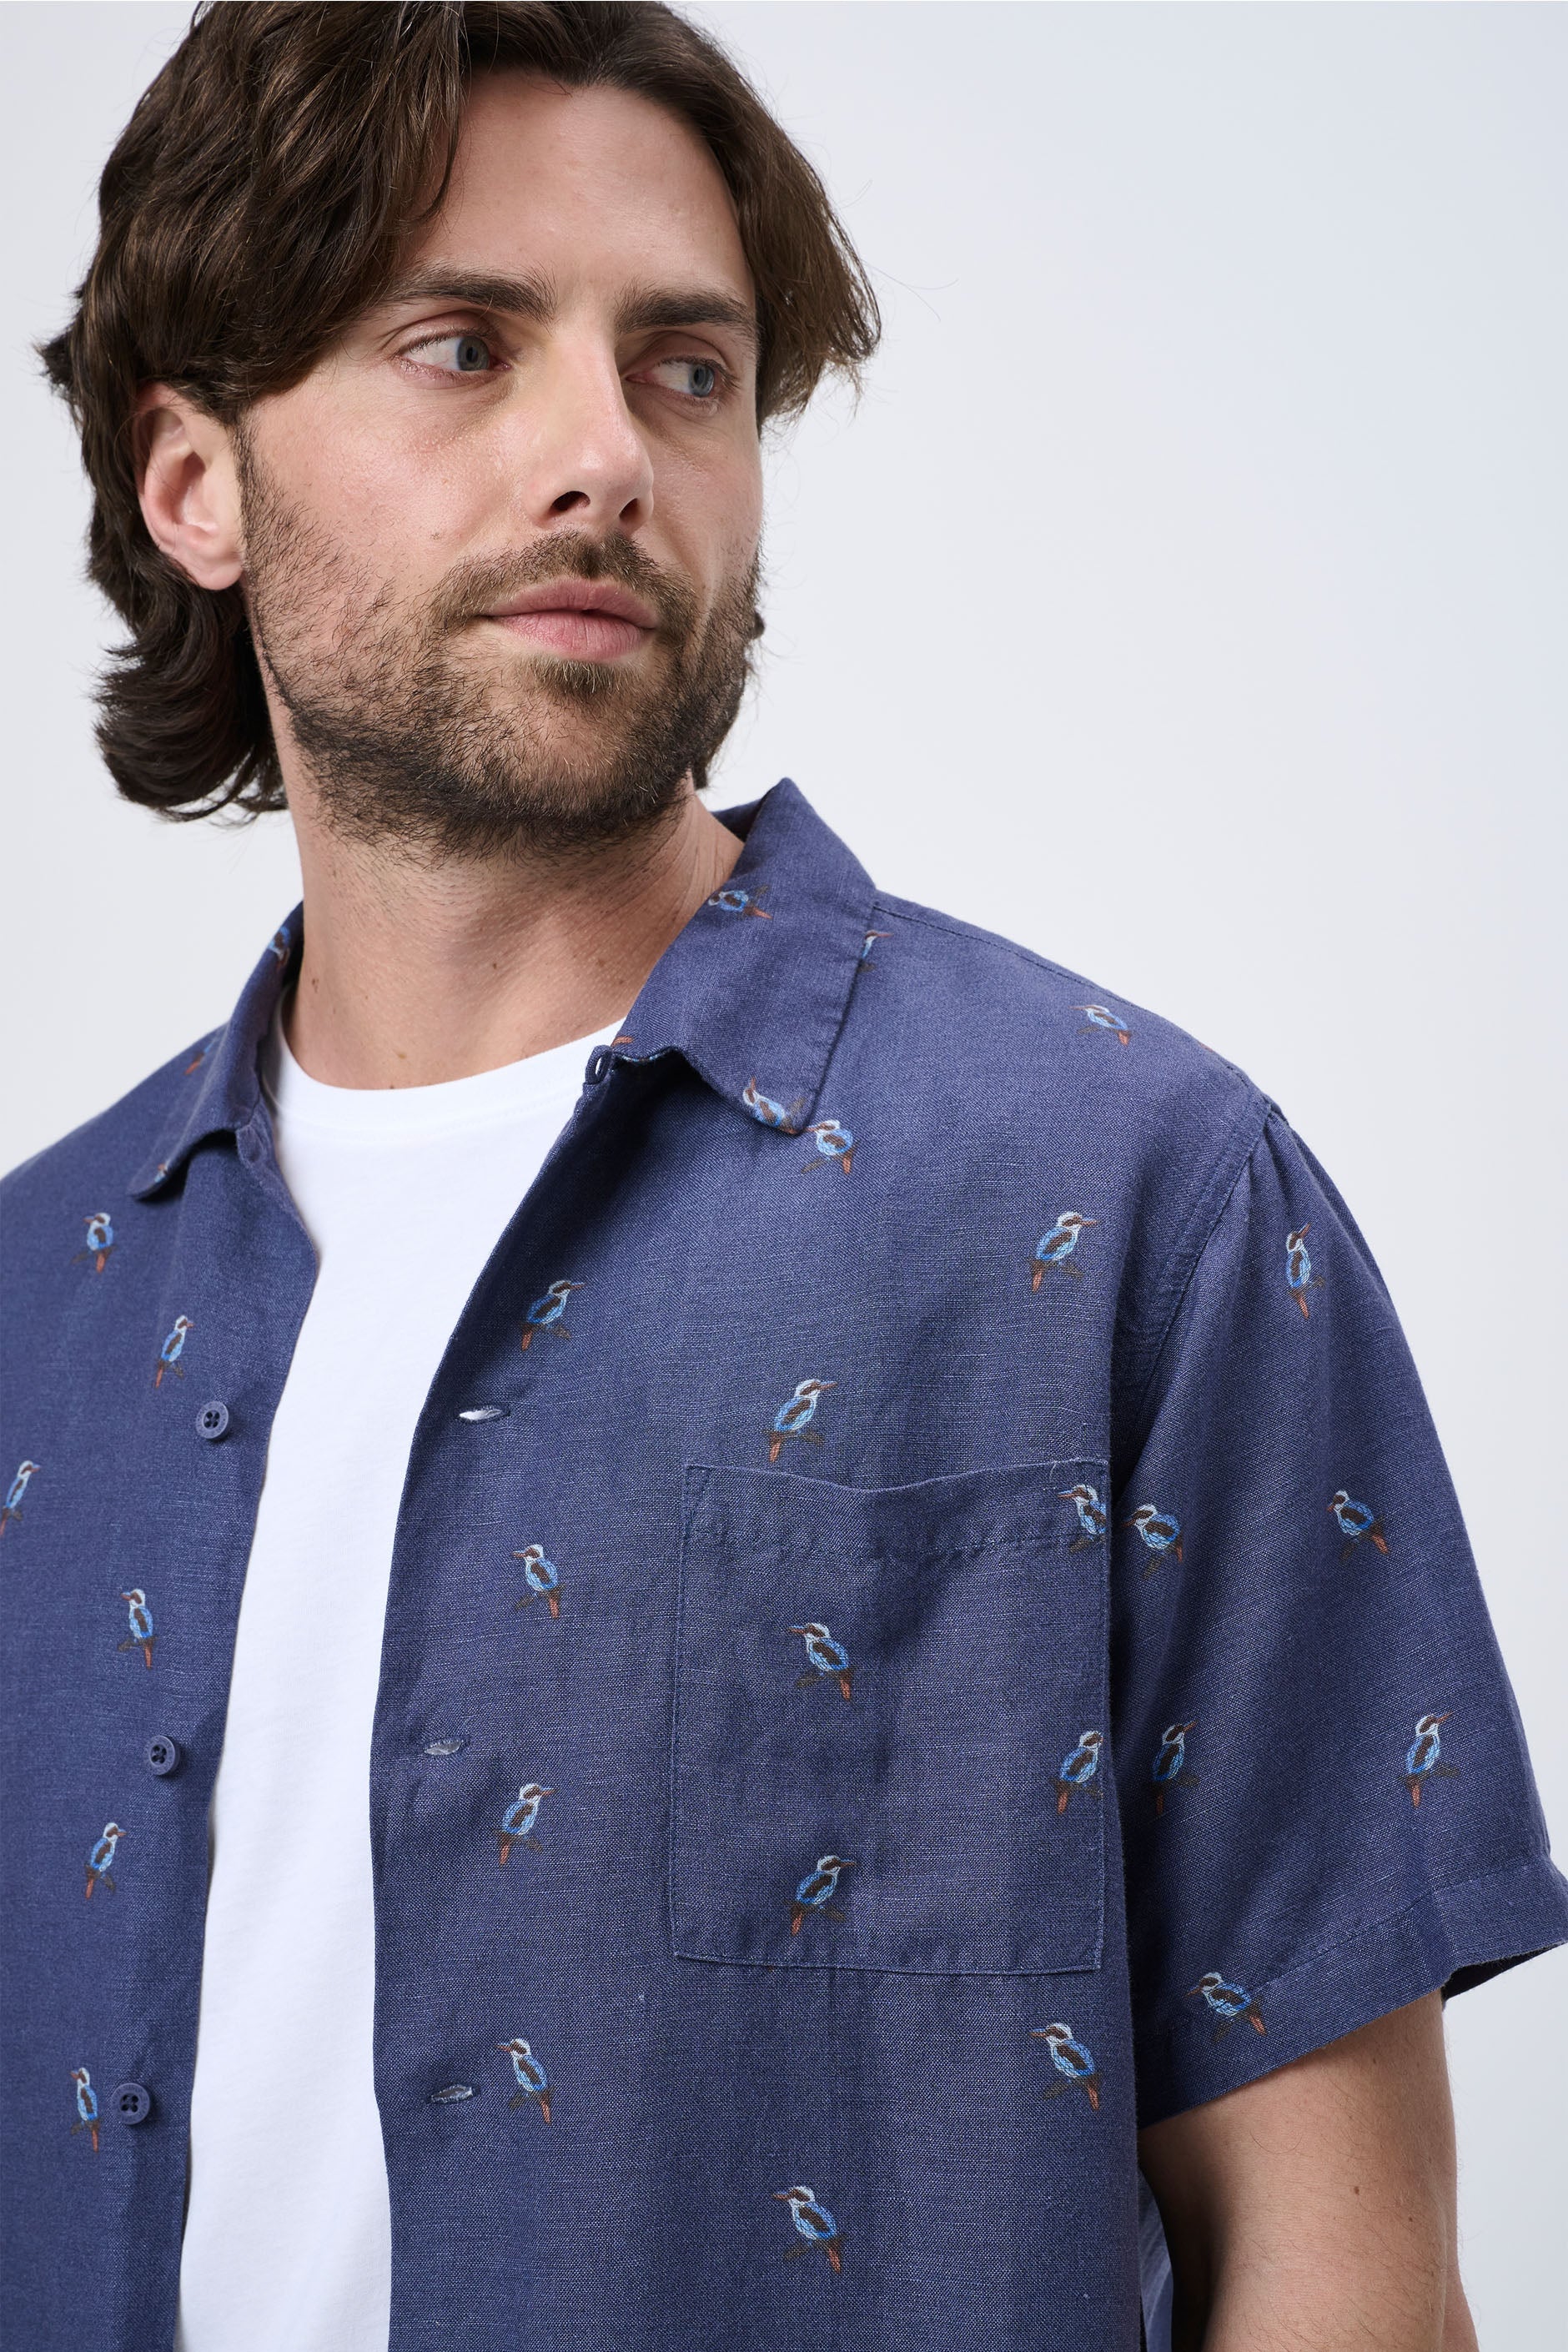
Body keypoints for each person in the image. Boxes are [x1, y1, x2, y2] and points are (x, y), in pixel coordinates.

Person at [3, 7, 1562, 2349]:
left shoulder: (1129, 1201)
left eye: (690, 370)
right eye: (464, 346)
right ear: (194, 481)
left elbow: (1341, 2275)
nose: (605, 458)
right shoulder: (34, 1309)